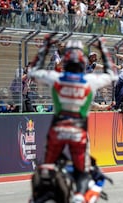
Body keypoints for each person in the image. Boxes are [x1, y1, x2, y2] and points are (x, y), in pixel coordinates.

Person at [28, 34, 117, 203]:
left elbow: (33, 71)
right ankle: (78, 196)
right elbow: (111, 74)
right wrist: (103, 49)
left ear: (66, 63)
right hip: (79, 132)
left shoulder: (56, 78)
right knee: (83, 171)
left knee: (47, 167)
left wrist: (45, 46)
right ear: (83, 63)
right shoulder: (90, 80)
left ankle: (39, 194)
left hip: (57, 130)